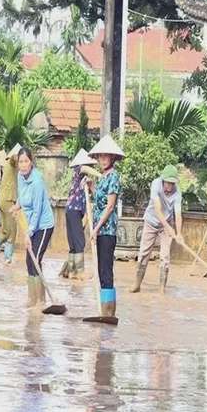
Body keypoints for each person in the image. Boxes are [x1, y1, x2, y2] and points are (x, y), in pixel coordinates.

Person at [130, 164, 183, 295]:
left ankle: (161, 290)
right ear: (163, 180)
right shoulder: (156, 184)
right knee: (143, 254)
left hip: (167, 224)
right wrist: (168, 227)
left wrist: (179, 233)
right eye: (167, 183)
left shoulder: (177, 193)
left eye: (172, 183)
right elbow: (158, 209)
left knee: (165, 258)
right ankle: (137, 284)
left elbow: (178, 214)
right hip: (151, 221)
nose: (169, 187)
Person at [12, 146, 54, 307]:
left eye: (26, 161)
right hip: (30, 223)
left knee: (35, 258)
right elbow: (22, 198)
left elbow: (37, 210)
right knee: (29, 261)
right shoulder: (20, 177)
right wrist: (16, 206)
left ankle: (40, 301)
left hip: (43, 225)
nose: (23, 165)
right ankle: (33, 299)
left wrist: (29, 233)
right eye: (20, 162)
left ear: (31, 162)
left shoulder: (37, 181)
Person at [88, 135, 124, 316]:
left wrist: (96, 228)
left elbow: (109, 206)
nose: (102, 159)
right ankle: (104, 310)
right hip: (99, 231)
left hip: (107, 231)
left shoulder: (114, 176)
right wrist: (91, 187)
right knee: (101, 270)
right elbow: (99, 200)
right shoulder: (102, 177)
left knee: (106, 270)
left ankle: (109, 313)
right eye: (100, 156)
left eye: (105, 156)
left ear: (112, 158)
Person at [61, 148, 100, 279]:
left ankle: (71, 271)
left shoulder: (85, 181)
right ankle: (80, 272)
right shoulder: (79, 170)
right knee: (79, 242)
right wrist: (101, 175)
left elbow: (93, 197)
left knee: (73, 243)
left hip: (73, 211)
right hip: (73, 210)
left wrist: (92, 185)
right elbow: (84, 168)